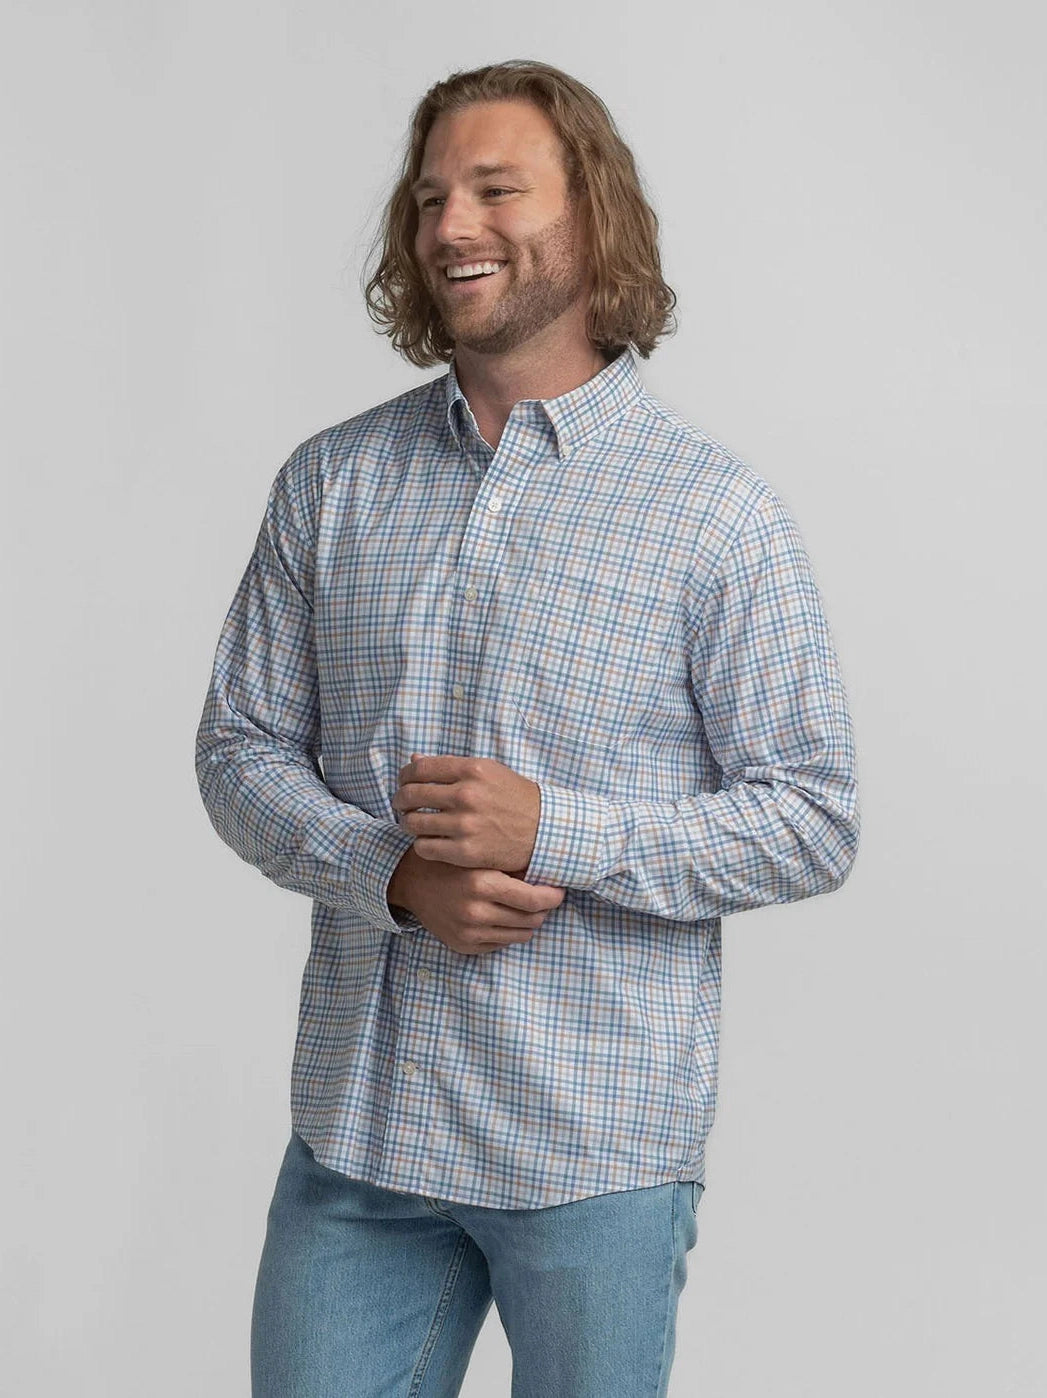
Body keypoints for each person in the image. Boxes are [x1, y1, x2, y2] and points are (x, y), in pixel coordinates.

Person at [195, 58, 859, 1398]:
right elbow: (239, 748)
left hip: (593, 1147)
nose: (451, 225)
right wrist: (393, 873)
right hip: (361, 1137)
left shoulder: (714, 514)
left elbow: (812, 816)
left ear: (592, 215)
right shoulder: (332, 482)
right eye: (431, 196)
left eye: (497, 190)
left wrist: (557, 830)